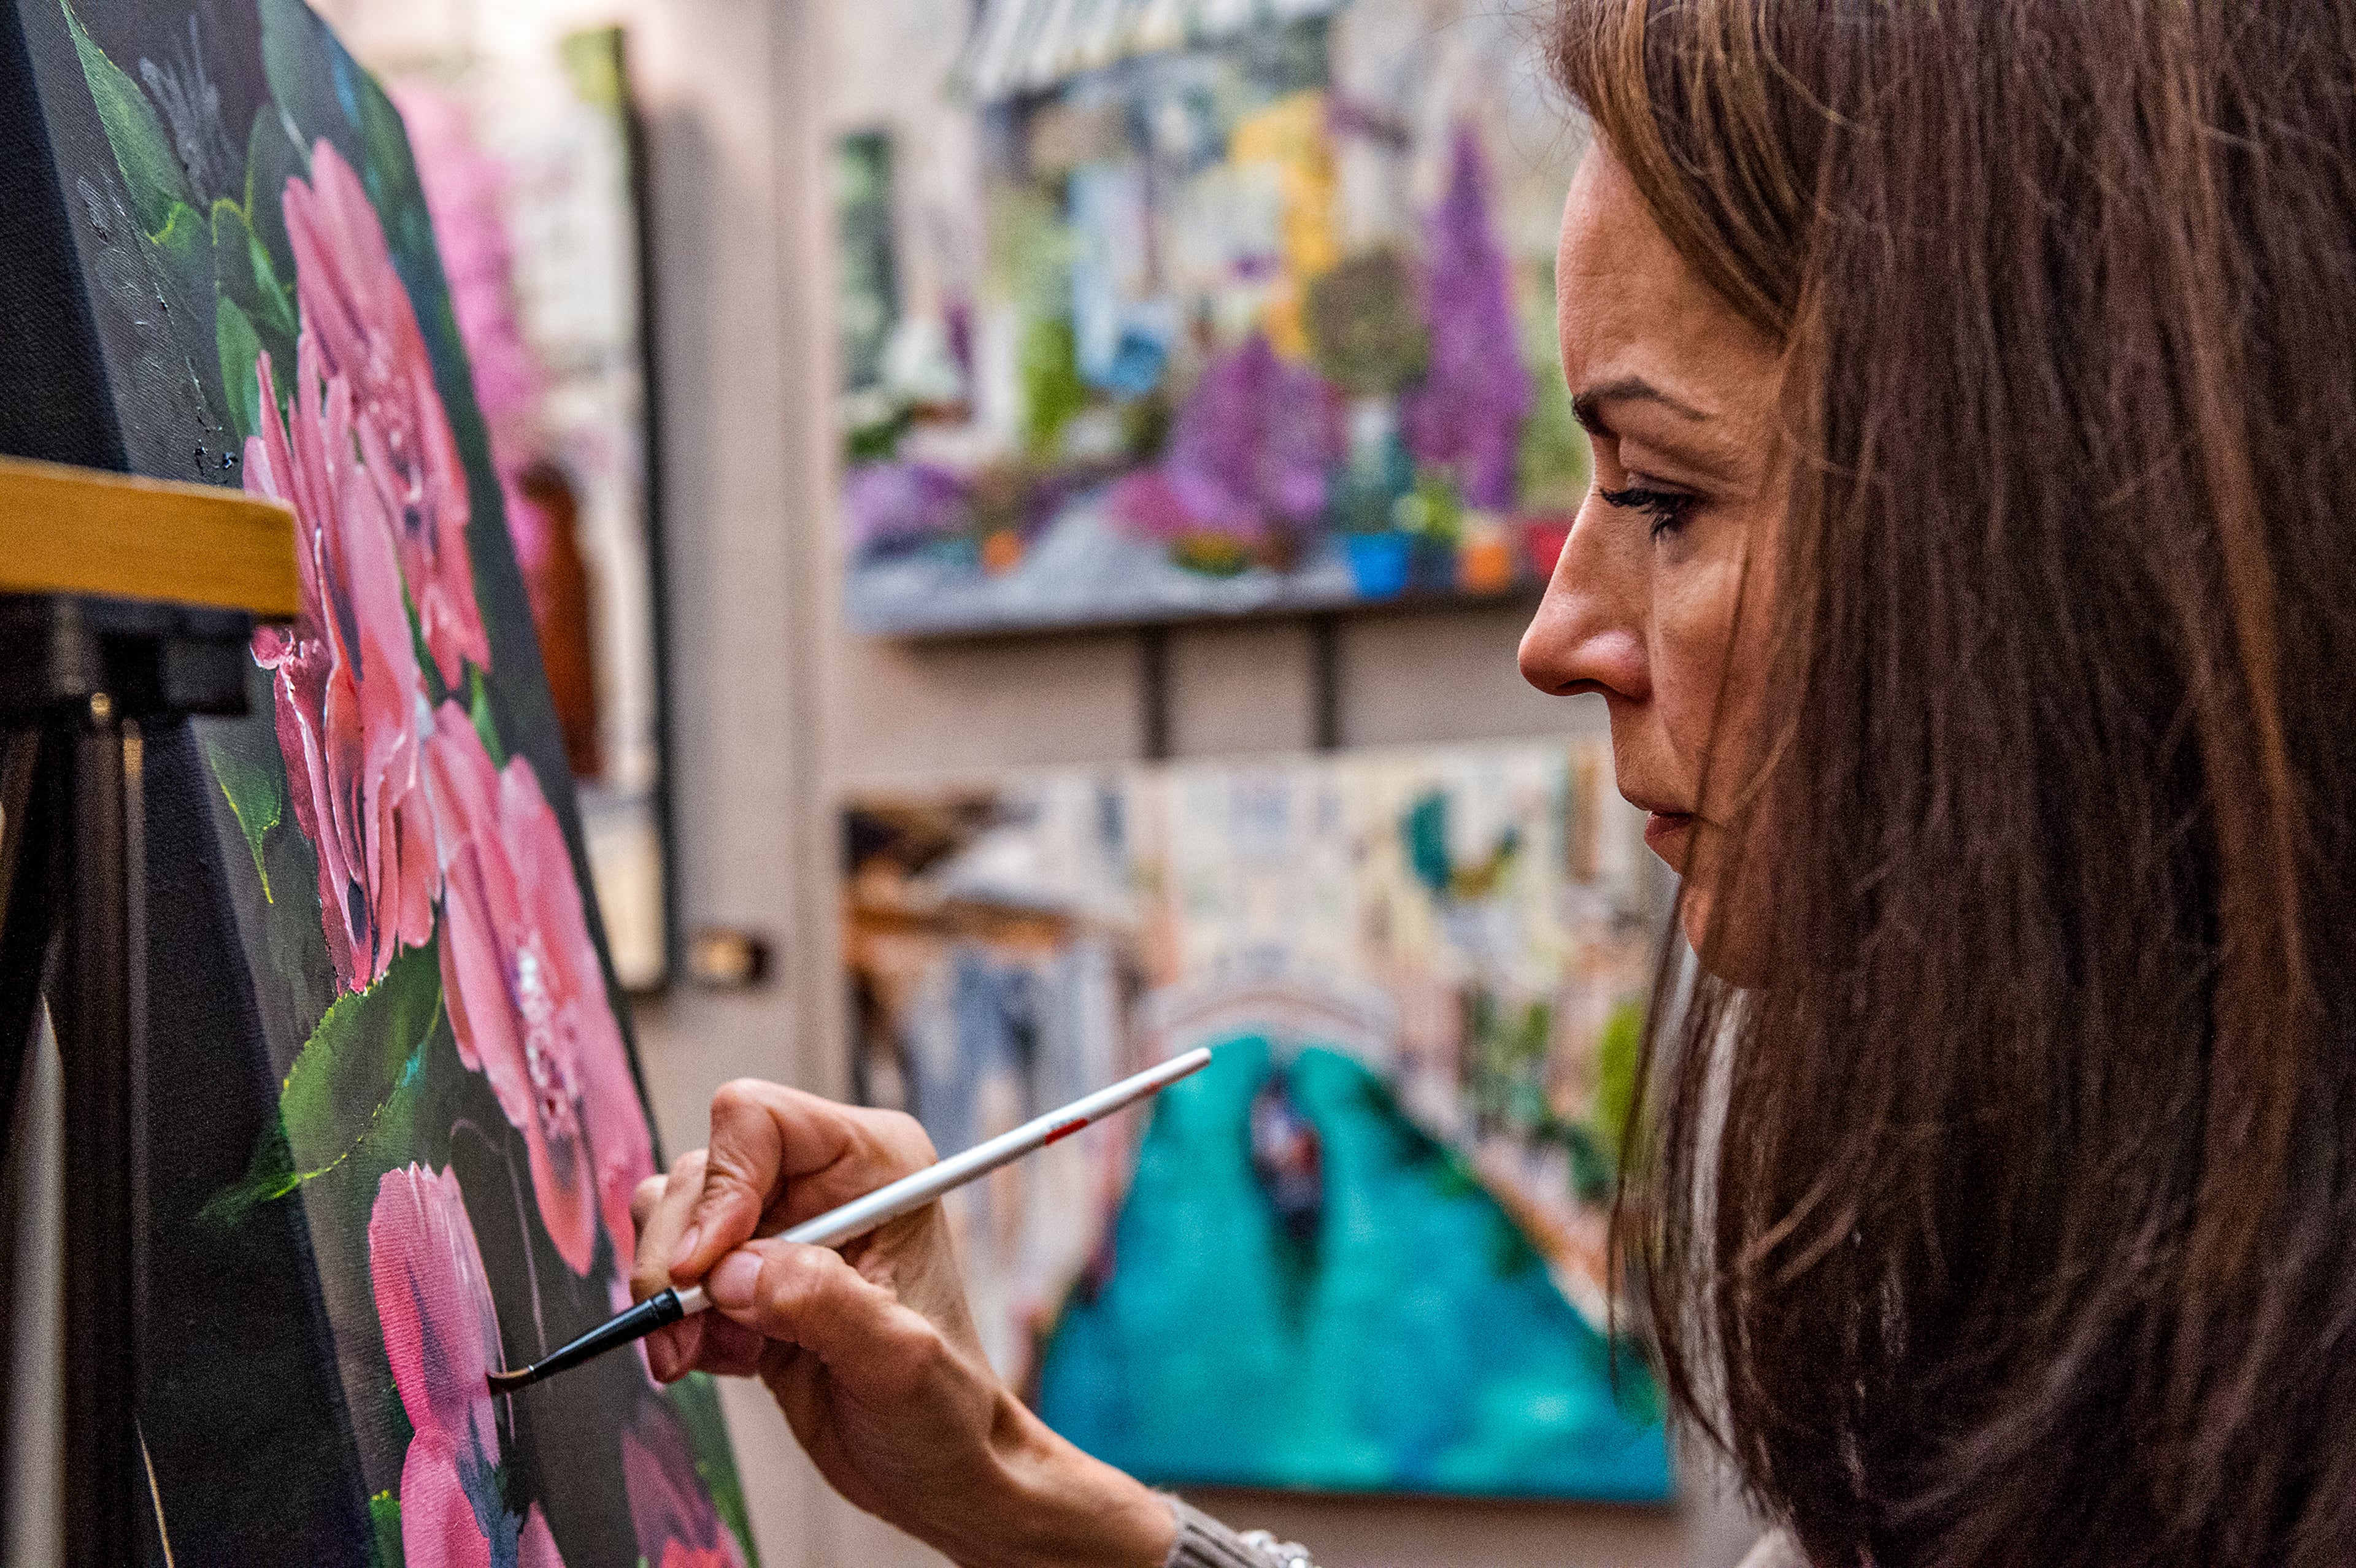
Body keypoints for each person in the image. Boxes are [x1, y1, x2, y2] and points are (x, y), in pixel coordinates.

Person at [633, 2, 2356, 1564]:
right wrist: (1009, 1478)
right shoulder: (2082, 1294)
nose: (1558, 632)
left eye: (1665, 495)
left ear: (2074, 525)